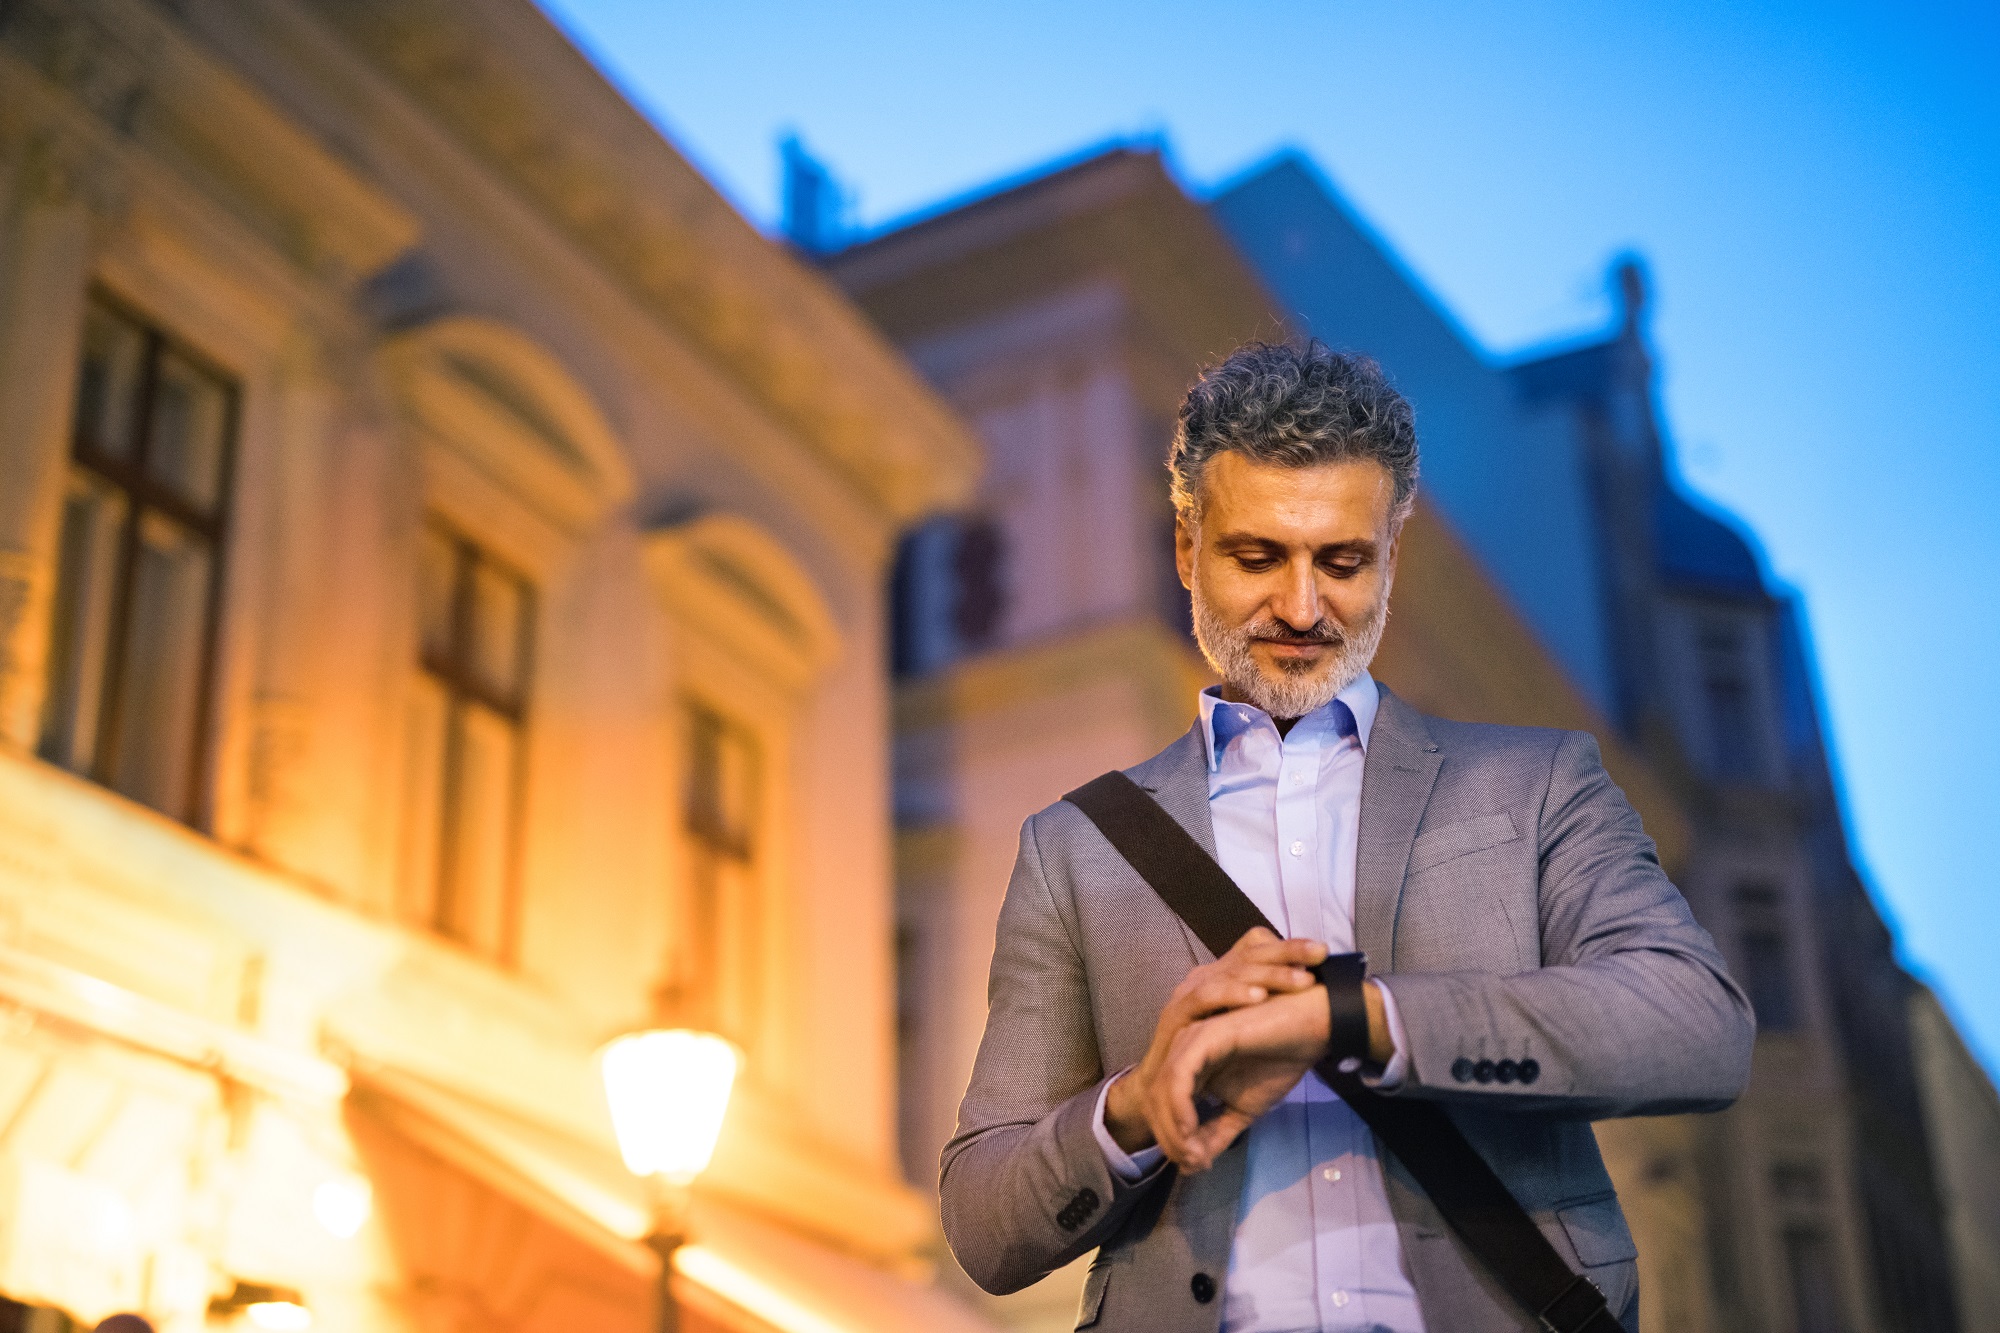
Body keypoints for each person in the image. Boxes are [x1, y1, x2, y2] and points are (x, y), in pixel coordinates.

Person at [939, 341, 1753, 1333]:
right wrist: (1137, 1105)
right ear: (1184, 547)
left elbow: (1697, 1027)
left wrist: (1353, 1018)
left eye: (1340, 561)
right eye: (1254, 557)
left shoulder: (1534, 782)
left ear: (1389, 558)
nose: (1298, 606)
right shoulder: (1072, 846)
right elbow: (984, 1223)